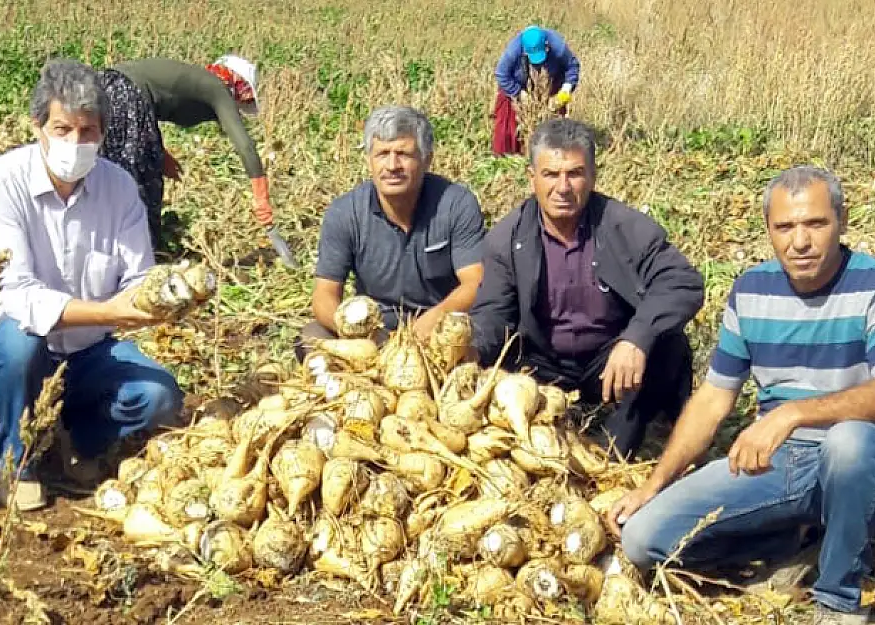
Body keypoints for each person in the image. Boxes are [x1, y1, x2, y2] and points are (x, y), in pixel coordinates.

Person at [611, 166, 875, 625]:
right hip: (783, 461)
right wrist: (653, 486)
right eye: (785, 227)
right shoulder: (751, 289)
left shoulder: (870, 283)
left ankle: (838, 601)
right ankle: (795, 543)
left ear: (843, 220)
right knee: (643, 538)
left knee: (848, 444)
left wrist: (792, 413)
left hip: (860, 458)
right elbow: (714, 398)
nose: (800, 242)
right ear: (769, 231)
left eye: (815, 224)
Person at [0, 59, 185, 511]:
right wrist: (110, 312)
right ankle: (16, 458)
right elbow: (18, 297)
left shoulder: (120, 187)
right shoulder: (0, 182)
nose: (75, 143)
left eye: (88, 132)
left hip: (89, 350)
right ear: (38, 127)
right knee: (17, 345)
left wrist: (169, 297)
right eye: (63, 129)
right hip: (21, 342)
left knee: (160, 396)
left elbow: (139, 278)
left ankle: (76, 440)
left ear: (103, 132)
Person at [469, 118, 703, 459]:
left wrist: (636, 338)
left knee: (667, 344)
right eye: (550, 174)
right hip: (543, 363)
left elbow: (683, 282)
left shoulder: (624, 226)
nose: (563, 187)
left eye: (574, 173)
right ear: (531, 178)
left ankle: (622, 445)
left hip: (610, 359)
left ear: (592, 176)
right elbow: (493, 314)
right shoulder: (507, 239)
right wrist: (472, 349)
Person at [298, 105, 486, 360]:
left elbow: (475, 282)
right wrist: (357, 335)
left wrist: (433, 320)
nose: (392, 165)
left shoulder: (456, 204)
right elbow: (324, 295)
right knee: (312, 335)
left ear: (426, 159)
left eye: (404, 154)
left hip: (441, 326)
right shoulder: (344, 213)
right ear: (369, 160)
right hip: (375, 332)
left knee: (485, 336)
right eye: (382, 154)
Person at [98, 55, 297, 267]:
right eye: (240, 101)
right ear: (238, 84)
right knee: (138, 187)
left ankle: (121, 255)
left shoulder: (199, 81)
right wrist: (261, 197)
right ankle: (138, 264)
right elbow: (245, 146)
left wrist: (160, 154)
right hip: (124, 94)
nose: (237, 107)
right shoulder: (218, 88)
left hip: (108, 89)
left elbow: (149, 105)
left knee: (117, 175)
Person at [492, 25, 580, 156]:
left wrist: (565, 91)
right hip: (519, 85)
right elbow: (501, 74)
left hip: (550, 83)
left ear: (546, 46)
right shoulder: (513, 51)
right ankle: (508, 155)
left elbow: (572, 67)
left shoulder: (558, 48)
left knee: (553, 123)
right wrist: (519, 94)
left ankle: (552, 152)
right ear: (525, 52)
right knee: (507, 128)